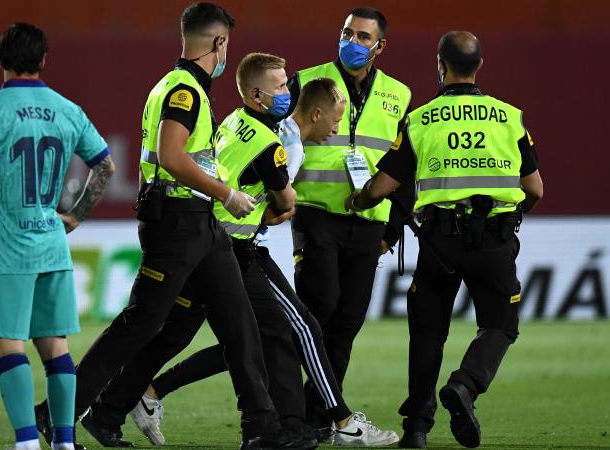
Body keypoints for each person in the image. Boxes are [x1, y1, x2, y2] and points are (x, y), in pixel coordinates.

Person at [36, 4, 300, 450]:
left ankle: (262, 429)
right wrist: (226, 194)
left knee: (240, 327)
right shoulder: (184, 91)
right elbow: (173, 157)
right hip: (181, 224)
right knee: (140, 325)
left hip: (197, 226)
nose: (226, 54)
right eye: (226, 46)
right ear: (218, 43)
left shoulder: (173, 86)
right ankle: (58, 414)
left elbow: (161, 160)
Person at [125, 77, 396, 447]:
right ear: (316, 113)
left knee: (226, 338)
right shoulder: (287, 145)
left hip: (214, 239)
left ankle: (142, 393)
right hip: (234, 247)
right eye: (335, 120)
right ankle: (342, 421)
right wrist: (285, 206)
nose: (336, 129)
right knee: (300, 329)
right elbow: (277, 205)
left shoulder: (253, 122)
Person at [346, 30, 544, 449]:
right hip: (495, 241)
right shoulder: (511, 117)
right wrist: (504, 220)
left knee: (428, 334)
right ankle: (465, 386)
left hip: (439, 242)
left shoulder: (419, 119)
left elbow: (382, 187)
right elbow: (536, 189)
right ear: (479, 66)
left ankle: (416, 429)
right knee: (499, 326)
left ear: (441, 65)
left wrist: (357, 200)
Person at [0, 22, 115, 450]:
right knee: (55, 348)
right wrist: (75, 216)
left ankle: (27, 440)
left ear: (0, 60)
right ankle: (63, 441)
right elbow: (105, 168)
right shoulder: (68, 110)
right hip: (51, 243)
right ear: (44, 60)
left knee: (6, 347)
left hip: (8, 247)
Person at [285, 6, 410, 444]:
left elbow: (402, 166)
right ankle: (300, 414)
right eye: (346, 33)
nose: (351, 42)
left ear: (380, 46)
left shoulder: (400, 94)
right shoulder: (306, 80)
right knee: (318, 314)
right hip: (316, 214)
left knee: (348, 321)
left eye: (362, 36)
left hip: (369, 224)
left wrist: (391, 232)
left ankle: (316, 417)